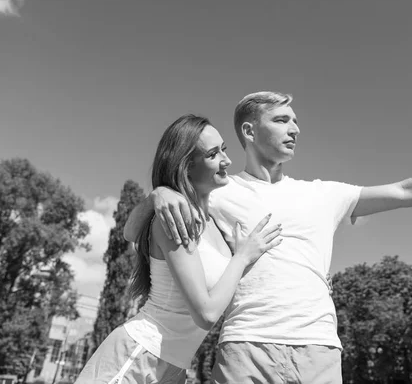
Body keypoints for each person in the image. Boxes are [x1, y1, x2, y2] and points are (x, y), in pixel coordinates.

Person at [124, 91, 412, 384]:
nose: (295, 129)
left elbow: (406, 191)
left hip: (319, 349)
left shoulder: (325, 193)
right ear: (250, 132)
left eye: (296, 121)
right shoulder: (218, 188)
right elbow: (132, 230)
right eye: (282, 120)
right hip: (246, 346)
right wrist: (159, 193)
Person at [75, 114, 282, 384]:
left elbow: (227, 289)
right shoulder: (178, 219)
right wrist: (242, 257)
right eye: (212, 154)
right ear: (186, 168)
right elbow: (206, 314)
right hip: (140, 357)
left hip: (174, 368)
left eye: (224, 149)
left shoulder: (214, 226)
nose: (227, 161)